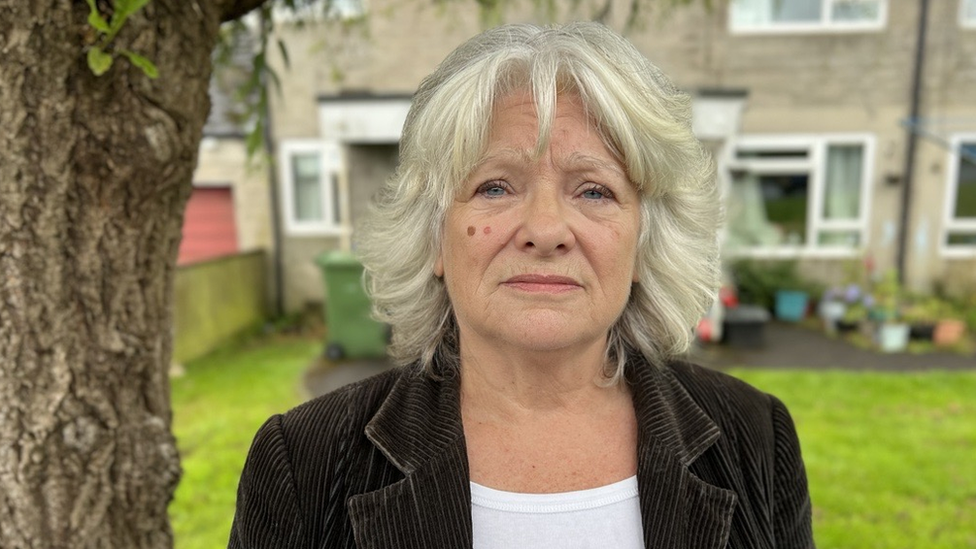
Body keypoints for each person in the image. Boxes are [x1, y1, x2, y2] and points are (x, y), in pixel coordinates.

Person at [229, 22, 814, 549]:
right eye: (495, 187)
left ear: (643, 244)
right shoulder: (301, 462)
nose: (544, 230)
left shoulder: (756, 436)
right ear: (436, 236)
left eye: (593, 191)